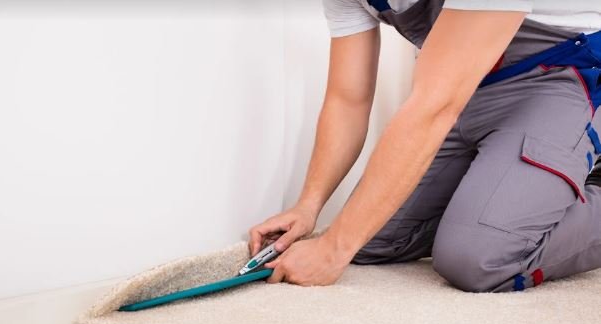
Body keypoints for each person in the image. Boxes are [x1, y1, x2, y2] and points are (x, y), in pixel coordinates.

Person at [248, 0, 601, 292]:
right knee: (370, 238)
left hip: (564, 81)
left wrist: (334, 248)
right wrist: (309, 206)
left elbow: (434, 107)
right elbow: (347, 100)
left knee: (478, 257)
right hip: (469, 90)